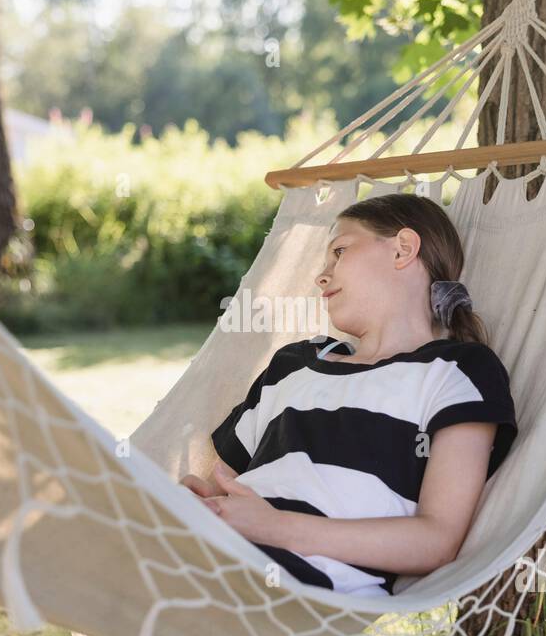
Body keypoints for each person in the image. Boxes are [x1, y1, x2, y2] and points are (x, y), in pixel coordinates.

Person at [180, 192, 518, 597]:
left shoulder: (458, 371)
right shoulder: (292, 365)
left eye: (338, 251)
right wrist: (205, 502)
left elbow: (438, 539)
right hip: (218, 550)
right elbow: (230, 485)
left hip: (304, 581)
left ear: (403, 249)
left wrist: (277, 528)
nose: (321, 276)